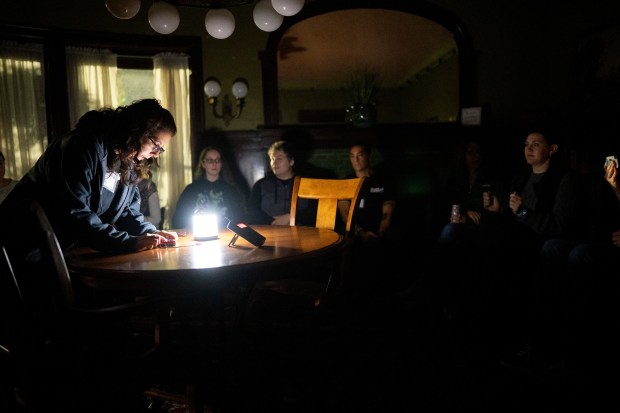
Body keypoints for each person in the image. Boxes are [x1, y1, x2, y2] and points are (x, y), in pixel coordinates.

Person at [0, 98, 178, 254]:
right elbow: (75, 212)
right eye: (157, 145)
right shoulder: (82, 146)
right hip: (22, 245)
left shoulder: (127, 162)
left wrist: (151, 233)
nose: (156, 154)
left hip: (59, 248)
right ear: (138, 130)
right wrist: (128, 242)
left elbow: (126, 212)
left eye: (160, 150)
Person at [172, 145, 245, 230]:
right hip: (198, 233)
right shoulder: (191, 190)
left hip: (225, 234)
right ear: (203, 163)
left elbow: (239, 217)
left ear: (221, 164)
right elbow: (179, 218)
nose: (214, 164)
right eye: (210, 160)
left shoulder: (231, 190)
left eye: (217, 160)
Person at [245, 140, 316, 226]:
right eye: (272, 159)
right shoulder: (260, 185)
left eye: (279, 159)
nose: (274, 162)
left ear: (291, 162)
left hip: (301, 234)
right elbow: (251, 211)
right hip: (269, 233)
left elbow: (315, 212)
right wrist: (272, 221)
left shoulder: (307, 184)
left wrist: (291, 217)